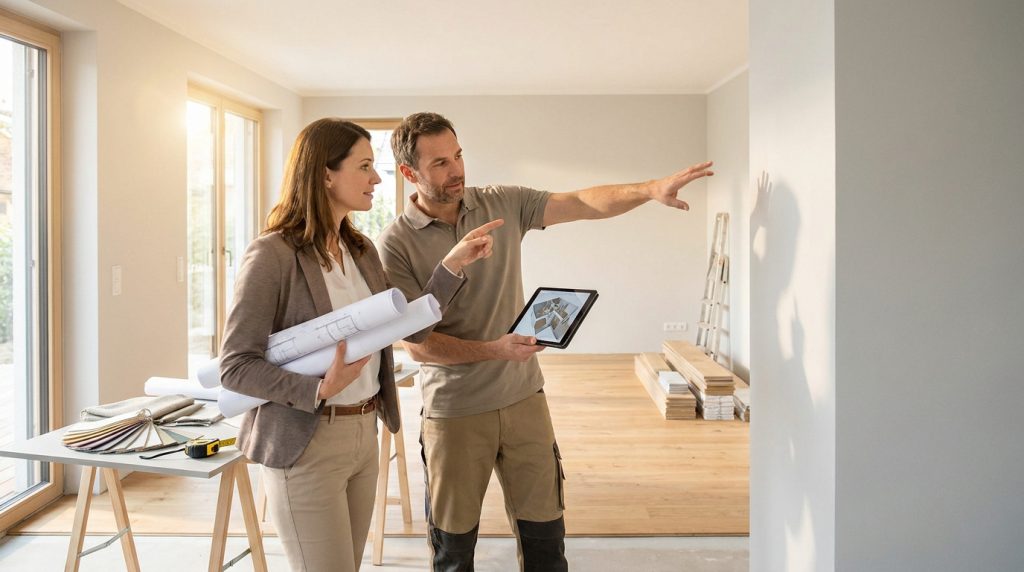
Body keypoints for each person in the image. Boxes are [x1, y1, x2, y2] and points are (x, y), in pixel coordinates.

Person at [378, 112, 713, 571]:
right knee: (453, 555)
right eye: (439, 163)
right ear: (409, 172)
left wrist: (649, 189)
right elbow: (417, 346)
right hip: (454, 412)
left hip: (524, 400)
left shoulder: (500, 202)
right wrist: (493, 350)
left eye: (458, 155)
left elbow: (580, 202)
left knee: (546, 547)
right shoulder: (395, 243)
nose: (456, 170)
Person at [219, 118, 501, 572]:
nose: (377, 179)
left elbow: (409, 329)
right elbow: (235, 366)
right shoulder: (272, 254)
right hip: (305, 442)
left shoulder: (361, 250)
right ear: (326, 174)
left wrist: (451, 265)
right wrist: (318, 388)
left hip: (363, 434)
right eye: (365, 166)